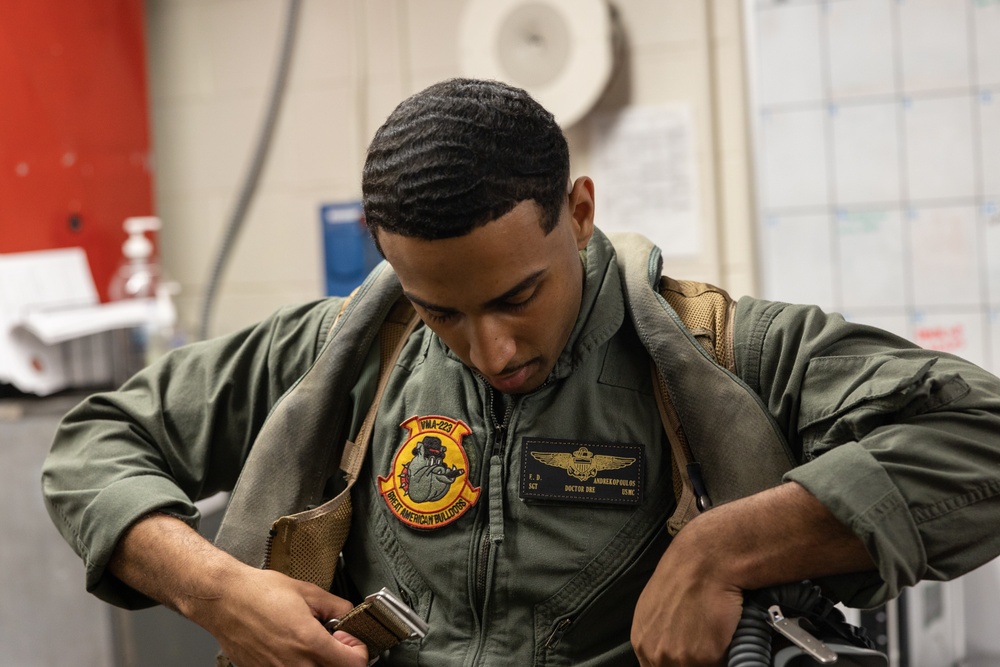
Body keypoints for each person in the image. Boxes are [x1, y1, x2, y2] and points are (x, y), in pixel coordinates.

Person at [41, 78, 1000, 667]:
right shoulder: (336, 355)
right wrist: (217, 590)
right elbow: (94, 443)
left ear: (578, 213)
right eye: (440, 311)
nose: (490, 349)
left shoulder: (731, 352)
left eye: (515, 297)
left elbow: (978, 437)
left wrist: (730, 548)